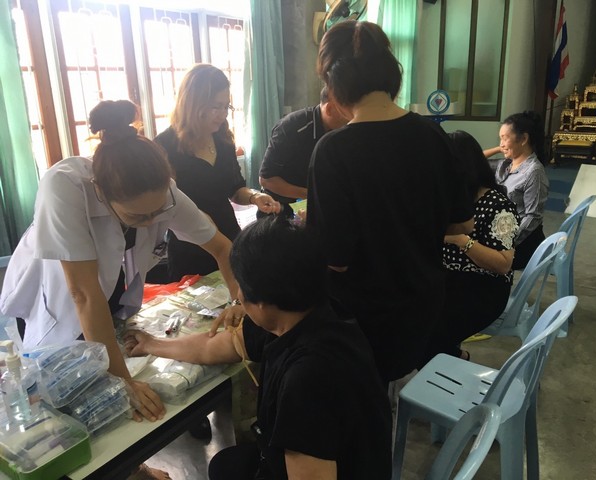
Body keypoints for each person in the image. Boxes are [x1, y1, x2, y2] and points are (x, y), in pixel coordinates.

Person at [0, 100, 241, 426]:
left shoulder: (164, 192)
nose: (151, 221)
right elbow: (83, 294)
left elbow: (223, 248)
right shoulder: (64, 186)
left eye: (158, 212)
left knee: (120, 393)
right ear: (101, 193)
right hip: (54, 301)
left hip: (109, 289)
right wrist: (123, 382)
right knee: (66, 400)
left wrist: (240, 301)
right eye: (138, 216)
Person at [124, 216, 393, 480]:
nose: (238, 298)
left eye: (240, 289)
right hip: (294, 457)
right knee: (225, 465)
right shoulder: (303, 309)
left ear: (262, 303)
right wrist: (152, 344)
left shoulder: (307, 380)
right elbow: (212, 346)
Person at [306, 21, 474, 384]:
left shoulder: (333, 151)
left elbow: (335, 260)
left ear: (333, 84)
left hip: (365, 318)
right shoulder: (433, 134)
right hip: (423, 308)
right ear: (390, 73)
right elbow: (462, 223)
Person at [155, 63, 280, 283]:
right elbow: (163, 202)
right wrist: (195, 215)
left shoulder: (222, 138)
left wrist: (255, 197)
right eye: (216, 107)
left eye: (226, 107)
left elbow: (235, 189)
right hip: (190, 245)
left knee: (237, 294)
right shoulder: (165, 145)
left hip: (229, 236)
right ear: (193, 104)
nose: (222, 115)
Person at [432, 131, 520, 360]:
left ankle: (456, 358)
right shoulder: (448, 198)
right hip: (446, 279)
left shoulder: (498, 206)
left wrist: (461, 240)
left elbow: (503, 264)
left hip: (482, 287)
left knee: (428, 337)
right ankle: (452, 356)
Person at [259, 86, 348, 216]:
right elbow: (266, 179)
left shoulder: (340, 132)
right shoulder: (292, 127)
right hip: (278, 207)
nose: (351, 118)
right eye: (348, 112)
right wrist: (311, 194)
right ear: (329, 109)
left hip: (311, 205)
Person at [494, 111, 549, 270]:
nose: (501, 144)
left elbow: (533, 217)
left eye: (505, 138)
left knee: (475, 258)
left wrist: (506, 243)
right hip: (502, 232)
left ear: (524, 139)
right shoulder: (506, 164)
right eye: (500, 139)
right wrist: (499, 148)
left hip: (522, 243)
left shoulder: (534, 172)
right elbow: (475, 160)